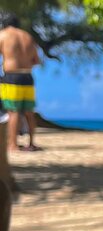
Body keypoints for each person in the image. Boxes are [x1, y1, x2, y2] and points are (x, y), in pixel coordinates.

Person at [0, 12, 42, 152]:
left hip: (12, 77)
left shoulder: (3, 35)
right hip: (28, 76)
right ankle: (31, 143)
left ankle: (12, 144)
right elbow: (37, 60)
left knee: (13, 111)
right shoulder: (28, 37)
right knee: (29, 112)